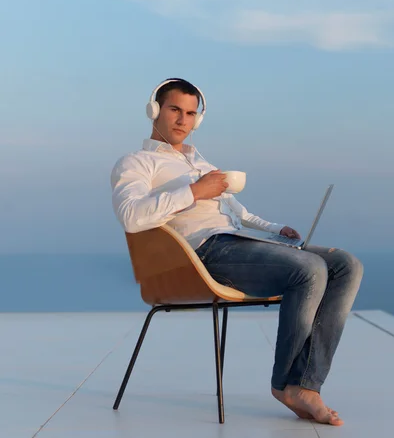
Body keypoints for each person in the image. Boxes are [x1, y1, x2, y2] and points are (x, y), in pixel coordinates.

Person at [110, 78, 363, 426]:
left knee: (345, 265)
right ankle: (290, 386)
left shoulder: (200, 162)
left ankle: (305, 382)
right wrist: (195, 191)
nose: (183, 120)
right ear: (154, 110)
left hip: (236, 240)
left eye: (190, 113)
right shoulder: (137, 163)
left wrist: (275, 230)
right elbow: (131, 215)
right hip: (201, 254)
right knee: (309, 270)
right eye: (174, 110)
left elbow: (237, 213)